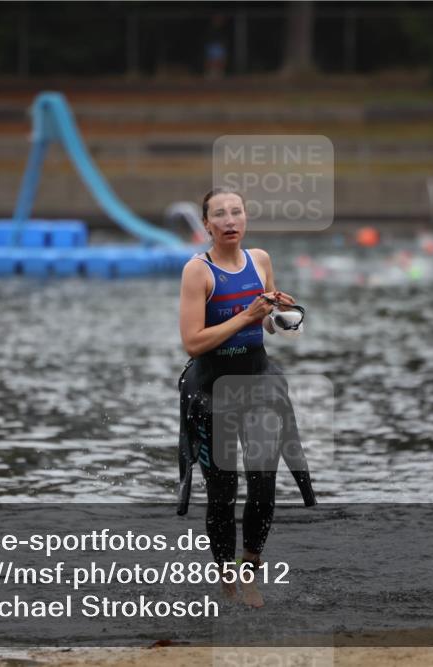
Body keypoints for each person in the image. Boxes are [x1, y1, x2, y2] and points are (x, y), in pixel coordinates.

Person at [177, 187, 315, 608]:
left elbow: (266, 322)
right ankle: (226, 579)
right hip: (212, 391)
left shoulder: (261, 260)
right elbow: (192, 343)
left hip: (258, 384)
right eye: (220, 214)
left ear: (246, 218)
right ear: (207, 225)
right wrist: (247, 316)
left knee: (263, 484)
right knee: (222, 491)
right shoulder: (197, 271)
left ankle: (250, 569)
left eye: (236, 212)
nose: (230, 220)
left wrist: (279, 316)